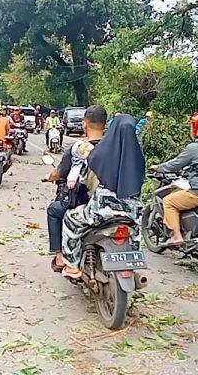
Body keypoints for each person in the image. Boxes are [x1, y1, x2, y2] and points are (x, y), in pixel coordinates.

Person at [61, 114, 145, 278]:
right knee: (135, 232)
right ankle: (132, 262)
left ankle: (71, 266)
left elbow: (83, 179)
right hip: (131, 214)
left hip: (101, 213)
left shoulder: (100, 154)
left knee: (70, 218)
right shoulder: (138, 158)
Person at [150, 110, 198, 247]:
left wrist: (159, 167)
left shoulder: (195, 148)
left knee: (169, 201)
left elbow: (175, 164)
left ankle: (177, 236)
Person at [45, 105, 107, 272]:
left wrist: (49, 177)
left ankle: (60, 257)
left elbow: (59, 172)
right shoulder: (113, 148)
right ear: (105, 123)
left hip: (86, 203)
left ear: (84, 124)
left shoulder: (78, 148)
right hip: (115, 203)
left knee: (53, 210)